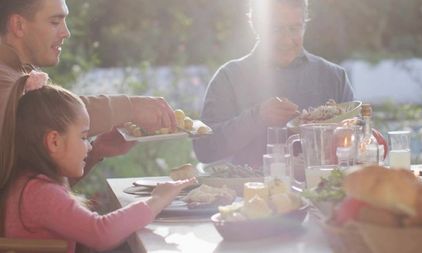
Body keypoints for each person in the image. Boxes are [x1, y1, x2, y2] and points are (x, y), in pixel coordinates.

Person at [0, 72, 197, 253]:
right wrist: (156, 199)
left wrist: (99, 149)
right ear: (54, 141)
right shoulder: (40, 193)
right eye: (83, 137)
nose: (88, 146)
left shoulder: (29, 182)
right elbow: (101, 233)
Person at [0, 0, 177, 180]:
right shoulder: (7, 83)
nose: (66, 32)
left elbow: (42, 195)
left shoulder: (18, 73)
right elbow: (54, 115)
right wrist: (130, 107)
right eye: (54, 22)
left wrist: (95, 151)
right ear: (19, 25)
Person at [193, 0, 354, 168]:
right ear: (256, 25)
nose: (286, 40)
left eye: (294, 29)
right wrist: (257, 117)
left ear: (304, 25)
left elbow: (356, 144)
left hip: (320, 190)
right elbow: (204, 150)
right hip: (250, 191)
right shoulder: (228, 77)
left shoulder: (334, 77)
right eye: (275, 29)